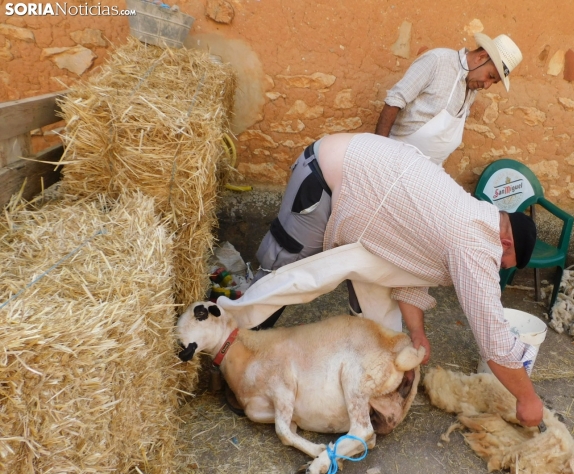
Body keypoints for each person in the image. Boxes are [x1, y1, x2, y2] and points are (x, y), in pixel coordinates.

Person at [225, 133, 543, 427]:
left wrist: (417, 332)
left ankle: (351, 391)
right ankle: (231, 366)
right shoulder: (476, 241)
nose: (497, 267)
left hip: (353, 183)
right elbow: (494, 338)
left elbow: (409, 267)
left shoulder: (468, 222)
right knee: (280, 278)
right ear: (505, 244)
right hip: (326, 179)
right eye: (504, 262)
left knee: (377, 318)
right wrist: (527, 399)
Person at [375, 32, 522, 165]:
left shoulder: (472, 88)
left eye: (493, 82)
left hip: (429, 171)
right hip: (395, 158)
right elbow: (395, 101)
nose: (487, 85)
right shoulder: (438, 60)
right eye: (490, 76)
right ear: (481, 57)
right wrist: (378, 153)